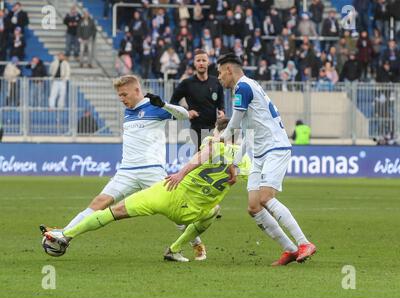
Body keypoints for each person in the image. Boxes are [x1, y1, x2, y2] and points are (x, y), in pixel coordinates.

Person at [40, 75, 207, 261]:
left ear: (137, 91)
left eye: (124, 94)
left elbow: (184, 115)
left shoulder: (154, 107)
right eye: (119, 96)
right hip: (126, 172)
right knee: (98, 203)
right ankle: (64, 234)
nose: (122, 99)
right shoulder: (128, 111)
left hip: (152, 172)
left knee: (176, 213)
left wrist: (164, 104)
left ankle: (196, 244)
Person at [42, 119, 250, 262]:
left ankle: (66, 235)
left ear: (218, 131)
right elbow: (250, 179)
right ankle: (175, 250)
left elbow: (205, 153)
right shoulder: (244, 161)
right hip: (191, 212)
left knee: (114, 211)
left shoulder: (212, 143)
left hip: (168, 194)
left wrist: (180, 173)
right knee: (214, 209)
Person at [217, 53, 316, 266]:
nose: (218, 78)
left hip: (275, 148)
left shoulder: (243, 87)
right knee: (254, 206)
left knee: (264, 197)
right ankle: (290, 250)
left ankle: (304, 243)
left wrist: (218, 139)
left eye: (219, 73)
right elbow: (245, 131)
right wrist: (234, 162)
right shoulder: (244, 88)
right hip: (260, 153)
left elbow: (233, 124)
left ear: (228, 70)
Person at [170, 49, 225, 151]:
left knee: (215, 160)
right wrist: (186, 112)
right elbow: (173, 102)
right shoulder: (186, 83)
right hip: (197, 129)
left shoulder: (216, 82)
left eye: (204, 60)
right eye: (198, 60)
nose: (201, 63)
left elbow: (221, 103)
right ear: (194, 63)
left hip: (214, 129)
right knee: (203, 158)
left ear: (208, 62)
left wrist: (222, 111)